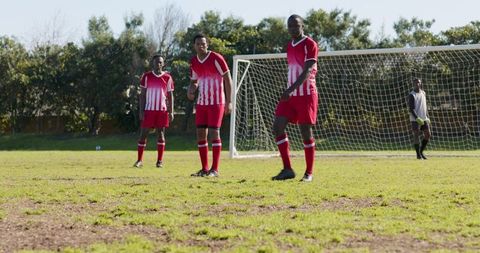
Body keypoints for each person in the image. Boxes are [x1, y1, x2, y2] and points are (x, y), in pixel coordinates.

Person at [271, 14, 319, 182]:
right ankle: (287, 169)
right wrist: (289, 90)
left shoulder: (310, 44)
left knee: (305, 131)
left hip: (306, 94)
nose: (292, 28)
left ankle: (309, 173)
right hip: (291, 95)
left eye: (296, 25)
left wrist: (290, 89)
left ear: (302, 26)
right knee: (277, 126)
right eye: (290, 26)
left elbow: (307, 71)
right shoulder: (289, 46)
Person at [187, 34, 232, 177]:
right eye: (198, 44)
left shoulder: (216, 58)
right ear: (194, 46)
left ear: (207, 44)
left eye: (203, 44)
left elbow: (227, 78)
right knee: (201, 134)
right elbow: (194, 81)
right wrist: (191, 89)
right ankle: (205, 168)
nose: (201, 46)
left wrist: (229, 101)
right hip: (201, 103)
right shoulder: (194, 62)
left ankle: (215, 169)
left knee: (214, 133)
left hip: (217, 102)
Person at [134, 54, 174, 168]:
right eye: (157, 62)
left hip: (162, 110)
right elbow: (142, 95)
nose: (159, 64)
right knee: (143, 134)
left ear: (163, 64)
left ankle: (159, 161)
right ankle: (139, 160)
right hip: (149, 110)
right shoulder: (146, 77)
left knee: (161, 134)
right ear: (153, 63)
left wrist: (171, 111)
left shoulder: (167, 77)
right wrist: (141, 111)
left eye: (161, 62)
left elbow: (170, 95)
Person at [408, 78, 431, 160]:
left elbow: (425, 106)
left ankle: (421, 152)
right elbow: (411, 109)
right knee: (416, 135)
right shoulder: (412, 95)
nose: (417, 84)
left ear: (420, 83)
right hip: (415, 119)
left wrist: (427, 116)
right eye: (415, 83)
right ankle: (418, 155)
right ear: (413, 84)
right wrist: (417, 118)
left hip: (424, 118)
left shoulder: (423, 93)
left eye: (418, 82)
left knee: (428, 135)